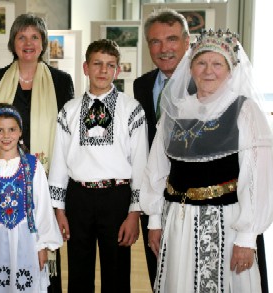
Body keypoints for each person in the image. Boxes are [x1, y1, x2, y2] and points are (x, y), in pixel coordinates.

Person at [140, 29, 273, 293]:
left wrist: (247, 237)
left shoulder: (244, 110)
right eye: (201, 62)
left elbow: (258, 176)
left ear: (230, 70)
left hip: (225, 225)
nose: (208, 70)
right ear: (190, 68)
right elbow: (156, 168)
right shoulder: (175, 111)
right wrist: (154, 221)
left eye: (217, 64)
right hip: (177, 223)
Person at [0, 13, 74, 293]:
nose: (28, 43)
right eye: (21, 37)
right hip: (3, 181)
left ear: (43, 43)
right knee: (3, 253)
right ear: (13, 43)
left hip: (46, 181)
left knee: (42, 251)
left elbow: (68, 135)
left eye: (35, 37)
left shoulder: (61, 82)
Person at [48, 39, 148, 293]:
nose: (103, 70)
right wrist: (58, 209)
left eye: (110, 65)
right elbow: (59, 161)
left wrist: (134, 213)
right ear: (85, 68)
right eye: (97, 64)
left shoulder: (132, 110)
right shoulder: (68, 111)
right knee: (79, 274)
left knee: (116, 274)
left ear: (118, 70)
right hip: (78, 198)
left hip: (117, 198)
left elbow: (140, 164)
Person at [0, 103, 63, 293]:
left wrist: (42, 246)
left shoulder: (33, 166)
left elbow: (42, 207)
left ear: (20, 132)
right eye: (0, 130)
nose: (6, 135)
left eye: (11, 129)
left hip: (27, 240)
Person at [132, 8, 190, 288]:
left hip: (192, 197)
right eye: (155, 41)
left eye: (172, 39)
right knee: (158, 268)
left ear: (187, 42)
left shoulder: (203, 82)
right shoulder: (141, 85)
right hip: (153, 195)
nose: (164, 48)